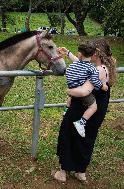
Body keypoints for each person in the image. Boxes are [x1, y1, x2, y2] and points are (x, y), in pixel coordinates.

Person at [53, 38, 117, 183]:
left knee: (68, 136)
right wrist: (68, 53)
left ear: (96, 53)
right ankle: (81, 172)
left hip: (81, 109)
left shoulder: (97, 70)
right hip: (95, 111)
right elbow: (81, 62)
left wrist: (69, 91)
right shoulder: (101, 68)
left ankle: (62, 173)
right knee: (86, 139)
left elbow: (84, 91)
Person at [60, 42, 108, 137]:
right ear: (92, 55)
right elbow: (95, 80)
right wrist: (102, 86)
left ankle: (66, 110)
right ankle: (81, 122)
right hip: (83, 93)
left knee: (70, 99)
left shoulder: (73, 65)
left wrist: (67, 53)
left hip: (72, 89)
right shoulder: (92, 68)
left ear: (80, 54)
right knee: (93, 107)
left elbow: (70, 70)